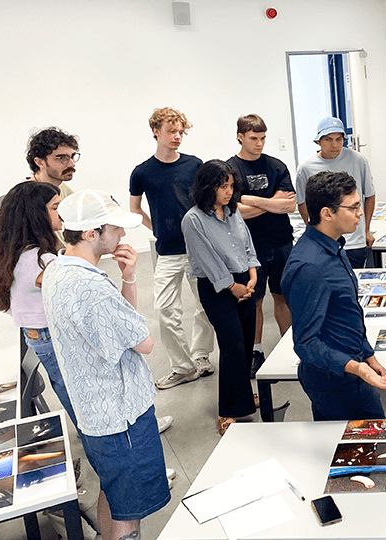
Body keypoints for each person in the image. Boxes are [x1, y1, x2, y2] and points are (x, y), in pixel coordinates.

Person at [42, 189, 169, 540]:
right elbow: (144, 342)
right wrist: (127, 283)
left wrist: (127, 278)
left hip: (96, 413)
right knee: (129, 514)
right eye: (115, 229)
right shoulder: (91, 288)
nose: (123, 235)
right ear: (91, 234)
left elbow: (122, 328)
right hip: (121, 416)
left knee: (113, 492)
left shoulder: (58, 269)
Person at [282, 171, 386, 420]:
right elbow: (306, 343)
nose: (360, 213)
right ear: (327, 213)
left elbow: (346, 311)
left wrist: (367, 355)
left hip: (351, 368)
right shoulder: (310, 267)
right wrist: (358, 369)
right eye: (353, 207)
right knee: (363, 445)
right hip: (333, 379)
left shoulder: (334, 245)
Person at [129, 107, 215, 389]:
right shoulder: (142, 172)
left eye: (181, 132)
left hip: (197, 248)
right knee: (165, 310)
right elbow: (134, 208)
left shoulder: (194, 165)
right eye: (171, 131)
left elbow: (206, 202)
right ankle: (183, 366)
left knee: (205, 306)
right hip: (167, 251)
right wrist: (155, 227)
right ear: (155, 131)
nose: (177, 137)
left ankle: (201, 355)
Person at [182, 160, 261, 435]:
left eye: (230, 185)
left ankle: (242, 397)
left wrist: (251, 275)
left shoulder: (233, 212)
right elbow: (208, 260)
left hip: (244, 282)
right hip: (217, 287)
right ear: (207, 186)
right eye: (222, 186)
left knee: (247, 342)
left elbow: (247, 244)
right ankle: (227, 410)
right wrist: (232, 286)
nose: (228, 192)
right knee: (232, 346)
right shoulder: (193, 219)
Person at [0, 182, 75, 424]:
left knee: (67, 389)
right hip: (51, 336)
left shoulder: (17, 254)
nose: (62, 214)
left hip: (37, 335)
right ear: (37, 215)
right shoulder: (41, 262)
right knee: (76, 395)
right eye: (56, 208)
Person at [226, 114, 296, 378]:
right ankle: (256, 351)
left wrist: (249, 199)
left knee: (283, 297)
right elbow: (236, 212)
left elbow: (288, 204)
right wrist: (270, 204)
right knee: (254, 301)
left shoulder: (276, 166)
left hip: (281, 242)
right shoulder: (230, 169)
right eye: (254, 138)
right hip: (247, 248)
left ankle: (290, 346)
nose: (259, 143)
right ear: (240, 137)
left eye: (263, 138)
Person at [295, 117, 376, 269]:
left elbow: (369, 195)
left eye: (339, 139)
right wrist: (314, 231)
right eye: (328, 140)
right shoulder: (306, 168)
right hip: (324, 240)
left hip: (354, 239)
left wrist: (366, 230)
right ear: (319, 141)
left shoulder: (358, 160)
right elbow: (302, 203)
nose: (334, 145)